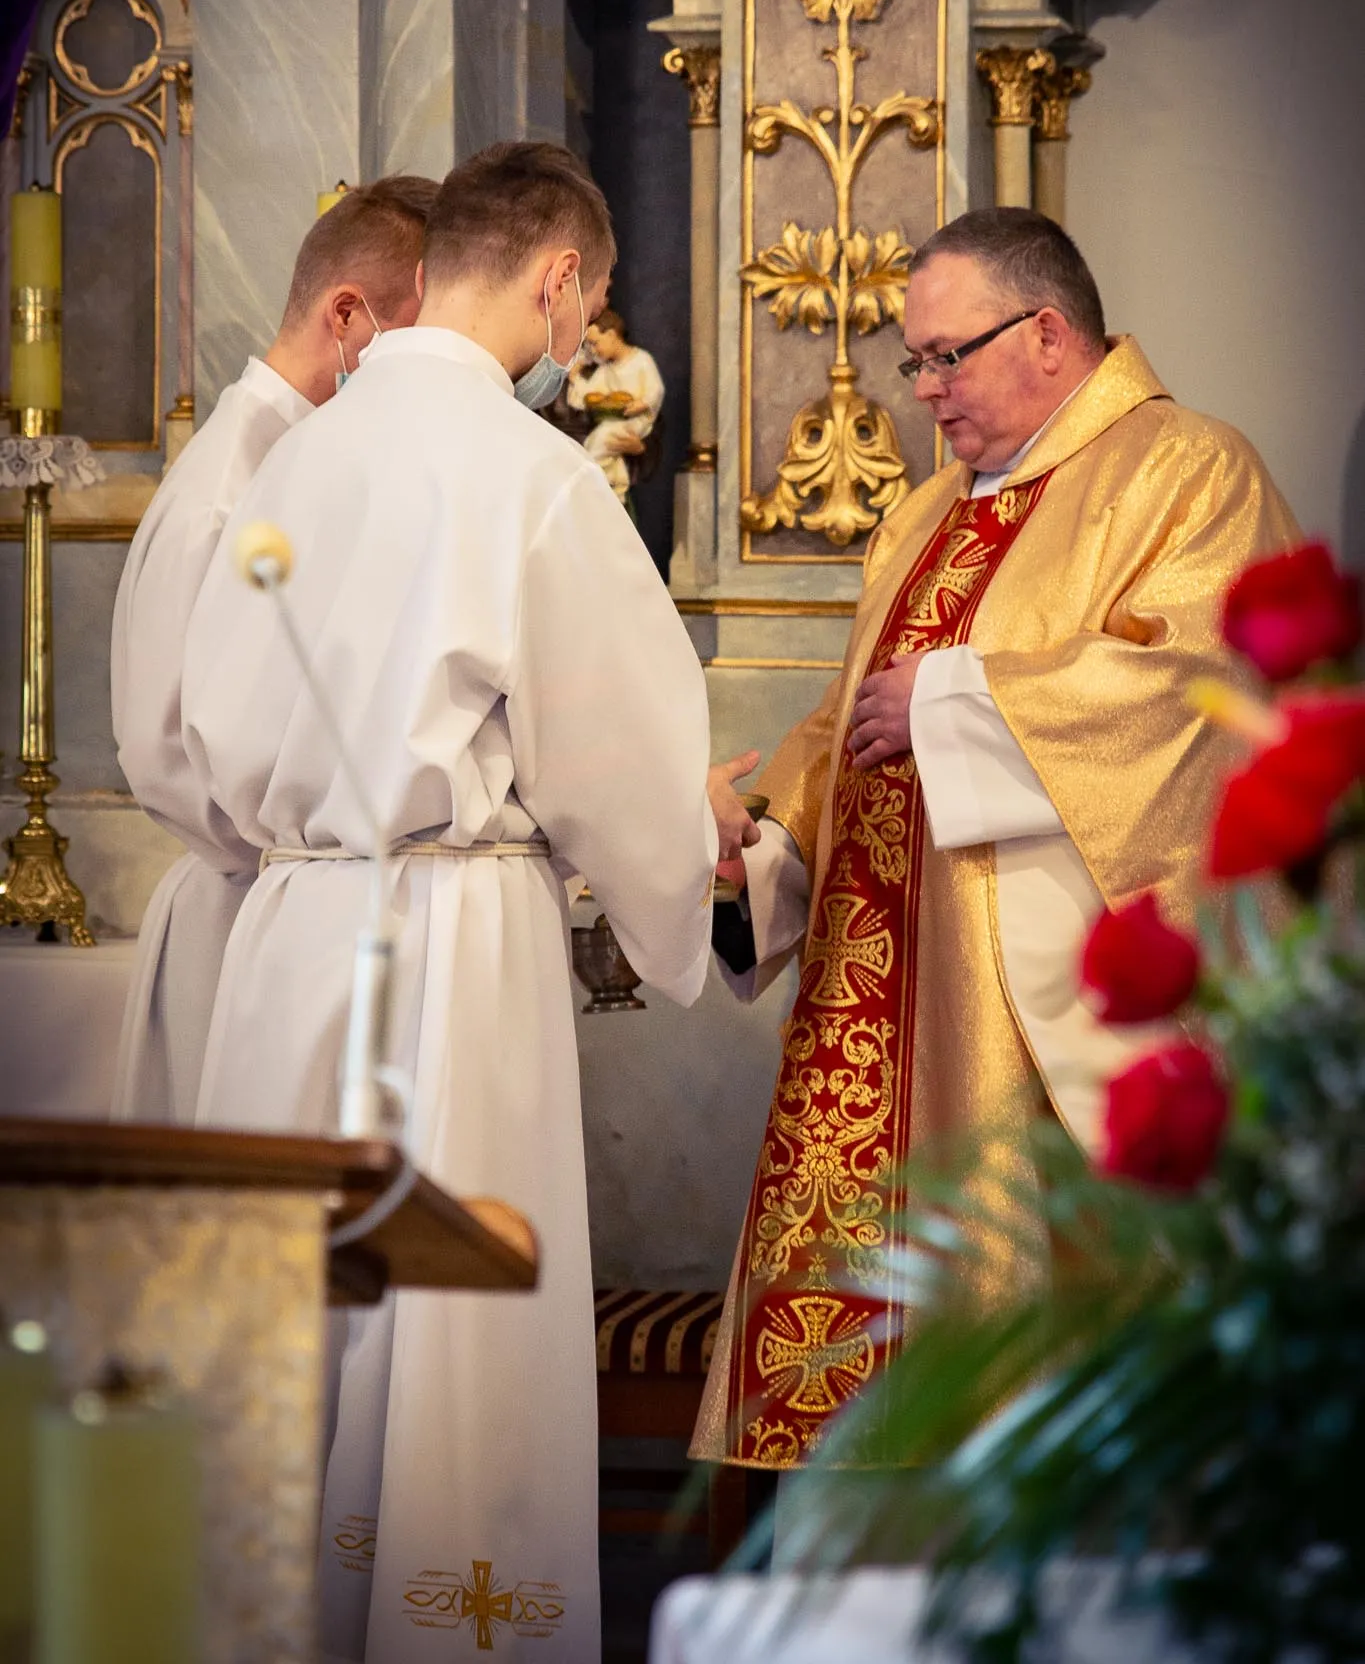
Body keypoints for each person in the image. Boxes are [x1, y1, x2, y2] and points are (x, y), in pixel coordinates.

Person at [179, 141, 758, 1664]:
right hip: (448, 943)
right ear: (559, 279)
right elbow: (613, 759)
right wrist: (697, 838)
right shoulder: (533, 476)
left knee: (287, 1332)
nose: (584, 335)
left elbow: (203, 721)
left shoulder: (289, 458)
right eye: (594, 303)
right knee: (450, 1340)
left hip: (287, 937)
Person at [695, 206, 1298, 1475]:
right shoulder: (921, 514)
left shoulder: (1187, 470)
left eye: (945, 356)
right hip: (872, 1004)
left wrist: (962, 697)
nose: (924, 390)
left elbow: (1206, 693)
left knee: (1034, 1378)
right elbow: (844, 725)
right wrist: (757, 848)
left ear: (1048, 333)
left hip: (1020, 1021)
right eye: (914, 360)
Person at [110, 175, 437, 1122]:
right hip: (242, 919)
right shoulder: (228, 491)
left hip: (300, 905)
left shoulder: (308, 464)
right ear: (347, 315)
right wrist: (318, 849)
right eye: (419, 341)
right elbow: (161, 750)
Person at [565, 304, 665, 502]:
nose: (593, 350)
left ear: (611, 335)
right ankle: (613, 487)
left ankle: (592, 486)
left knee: (600, 442)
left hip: (636, 421)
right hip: (613, 422)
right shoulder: (605, 370)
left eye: (595, 343)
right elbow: (588, 397)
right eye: (589, 346)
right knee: (595, 442)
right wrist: (575, 378)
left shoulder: (641, 360)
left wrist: (643, 403)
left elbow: (656, 389)